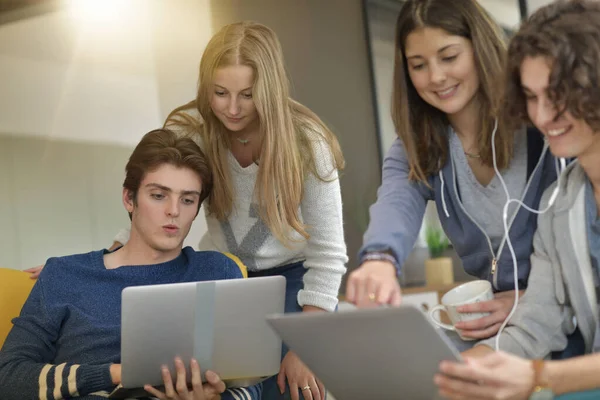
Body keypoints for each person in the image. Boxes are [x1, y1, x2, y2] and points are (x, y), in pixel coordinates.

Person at [27, 21, 348, 400]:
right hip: (222, 275)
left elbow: (328, 253)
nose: (231, 108)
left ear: (270, 90)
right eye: (220, 92)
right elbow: (155, 193)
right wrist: (88, 268)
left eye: (247, 94)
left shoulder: (308, 144)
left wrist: (308, 344)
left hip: (293, 280)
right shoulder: (193, 129)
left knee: (295, 387)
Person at [345, 0, 558, 343]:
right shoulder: (418, 145)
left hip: (562, 319)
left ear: (480, 49)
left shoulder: (542, 122)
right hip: (498, 324)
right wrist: (379, 259)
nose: (436, 77)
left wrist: (529, 299)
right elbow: (397, 201)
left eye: (449, 57)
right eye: (418, 65)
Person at [0, 129, 261, 400]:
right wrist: (120, 373)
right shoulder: (64, 274)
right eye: (159, 195)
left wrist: (216, 398)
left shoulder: (218, 271)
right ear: (129, 199)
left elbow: (250, 380)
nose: (174, 210)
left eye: (187, 200)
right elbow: (7, 377)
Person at [434, 1, 600, 398]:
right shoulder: (560, 206)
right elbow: (536, 325)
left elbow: (540, 372)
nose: (543, 117)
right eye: (531, 96)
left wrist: (541, 377)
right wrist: (471, 366)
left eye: (558, 95)